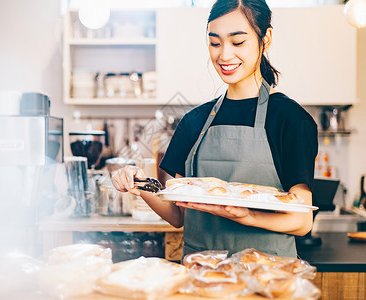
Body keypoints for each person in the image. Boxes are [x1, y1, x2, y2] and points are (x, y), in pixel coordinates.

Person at [111, 0, 318, 258]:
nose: (224, 55)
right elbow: (178, 215)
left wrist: (247, 215)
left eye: (238, 42)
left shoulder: (291, 120)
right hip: (203, 277)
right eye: (215, 42)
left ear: (265, 39)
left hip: (269, 282)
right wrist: (137, 183)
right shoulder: (193, 121)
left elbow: (301, 221)